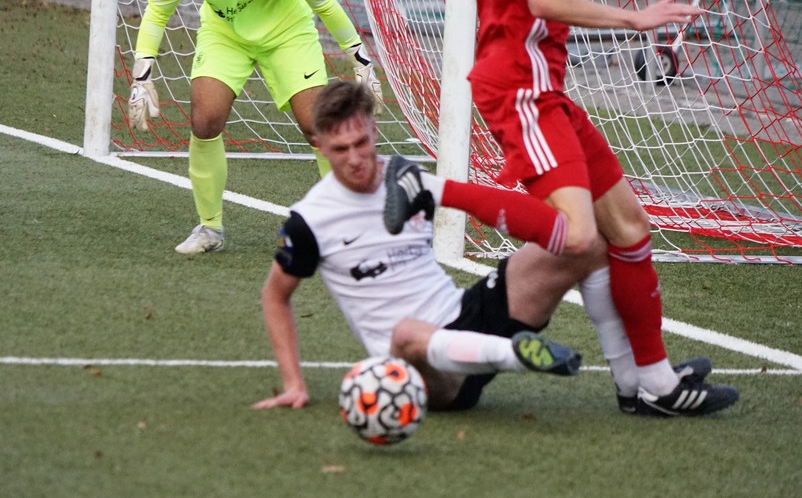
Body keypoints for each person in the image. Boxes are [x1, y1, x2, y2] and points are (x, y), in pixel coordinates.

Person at [404, 0, 738, 416]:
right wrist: (633, 18)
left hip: (542, 87)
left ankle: (649, 383)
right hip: (519, 88)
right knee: (580, 237)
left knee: (628, 228)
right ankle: (429, 188)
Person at [253, 82, 732, 414]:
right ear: (319, 145)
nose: (357, 158)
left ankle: (632, 387)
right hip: (419, 369)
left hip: (466, 313)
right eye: (341, 150)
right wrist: (294, 382)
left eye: (362, 142)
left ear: (374, 131)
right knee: (405, 333)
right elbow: (275, 296)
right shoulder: (310, 220)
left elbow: (542, 225)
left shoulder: (404, 178)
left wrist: (447, 190)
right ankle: (517, 354)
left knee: (588, 242)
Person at [127, 0, 384, 254]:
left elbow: (325, 3)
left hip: (287, 31)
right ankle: (210, 228)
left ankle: (348, 223)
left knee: (318, 125)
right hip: (225, 33)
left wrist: (361, 60)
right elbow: (157, 11)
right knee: (205, 121)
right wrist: (141, 75)